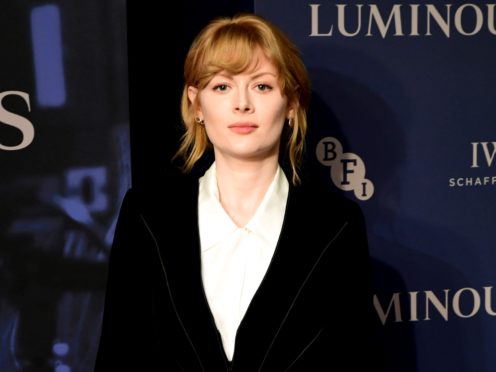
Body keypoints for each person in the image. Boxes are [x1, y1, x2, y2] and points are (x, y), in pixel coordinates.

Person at [94, 12, 378, 372]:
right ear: (197, 104)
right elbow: (119, 355)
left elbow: (357, 361)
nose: (242, 103)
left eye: (261, 86)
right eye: (222, 86)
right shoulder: (148, 216)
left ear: (291, 104)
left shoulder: (336, 226)